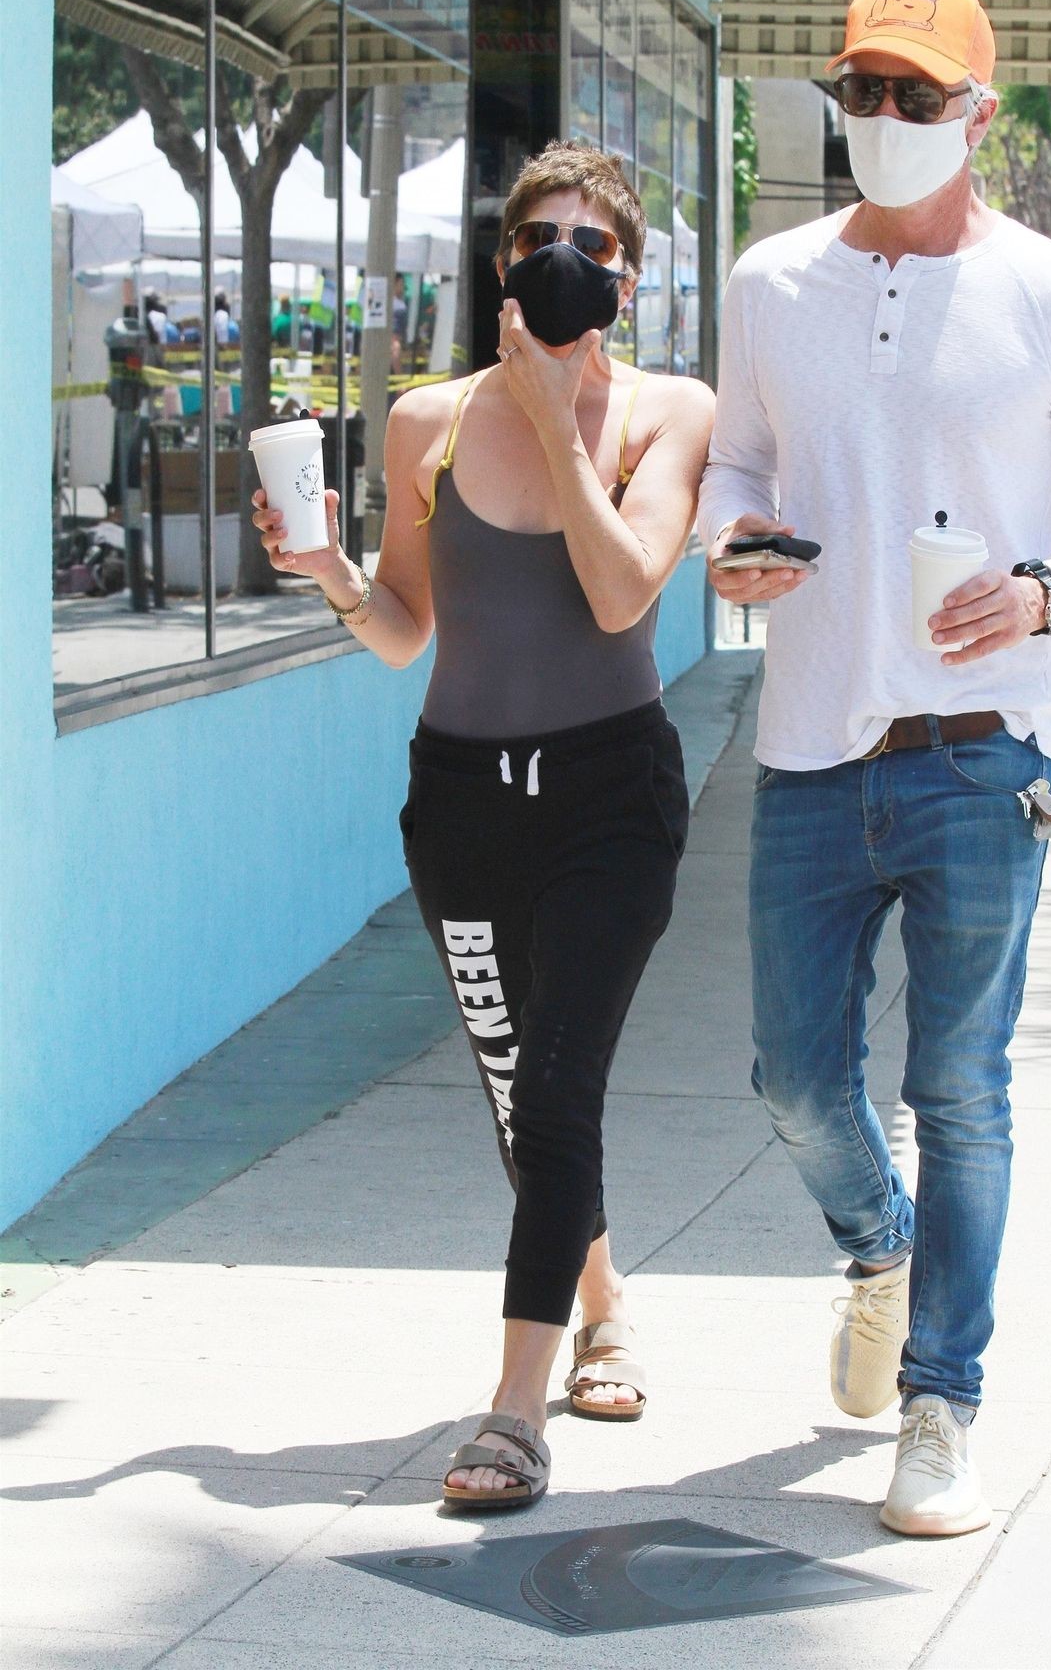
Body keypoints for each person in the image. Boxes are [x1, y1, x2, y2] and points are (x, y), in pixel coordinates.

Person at [700, 0, 1051, 1540]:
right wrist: (732, 539)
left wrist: (1048, 593)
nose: (883, 118)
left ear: (978, 114)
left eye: (915, 95)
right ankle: (880, 1250)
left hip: (986, 756)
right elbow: (738, 461)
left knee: (961, 1090)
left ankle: (942, 1403)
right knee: (791, 1081)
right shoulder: (772, 282)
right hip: (812, 747)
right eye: (862, 90)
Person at [253, 142, 714, 1513]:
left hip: (608, 799)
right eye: (536, 239)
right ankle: (602, 1300)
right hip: (460, 805)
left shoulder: (665, 412)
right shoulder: (426, 423)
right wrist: (332, 572)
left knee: (559, 1088)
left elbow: (623, 594)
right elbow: (406, 630)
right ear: (501, 263)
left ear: (627, 278)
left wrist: (561, 418)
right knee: (522, 1094)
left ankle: (515, 1408)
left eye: (593, 244)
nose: (562, 259)